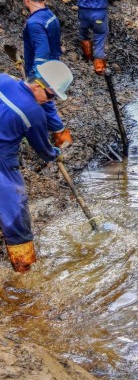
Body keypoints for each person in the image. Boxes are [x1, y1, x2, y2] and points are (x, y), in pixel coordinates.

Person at [0, 61, 73, 273]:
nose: (49, 102)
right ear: (36, 86)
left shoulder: (5, 79)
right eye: (50, 97)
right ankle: (24, 270)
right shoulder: (33, 113)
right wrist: (56, 154)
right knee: (16, 212)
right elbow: (44, 151)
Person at [17, 0, 73, 149]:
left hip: (43, 72)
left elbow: (42, 52)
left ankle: (62, 140)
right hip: (52, 68)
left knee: (45, 106)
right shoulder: (50, 16)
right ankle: (60, 137)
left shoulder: (34, 23)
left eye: (23, 0)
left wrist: (34, 78)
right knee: (47, 105)